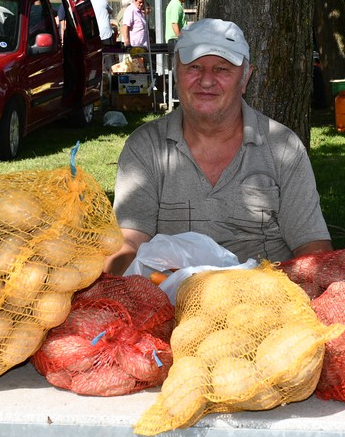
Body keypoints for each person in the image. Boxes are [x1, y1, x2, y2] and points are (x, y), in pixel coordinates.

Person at [104, 18, 333, 274]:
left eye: (222, 69)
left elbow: (313, 249)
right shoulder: (145, 147)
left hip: (266, 301)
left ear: (245, 78)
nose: (206, 80)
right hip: (169, 303)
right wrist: (122, 284)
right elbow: (128, 243)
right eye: (194, 67)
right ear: (176, 73)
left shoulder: (283, 146)